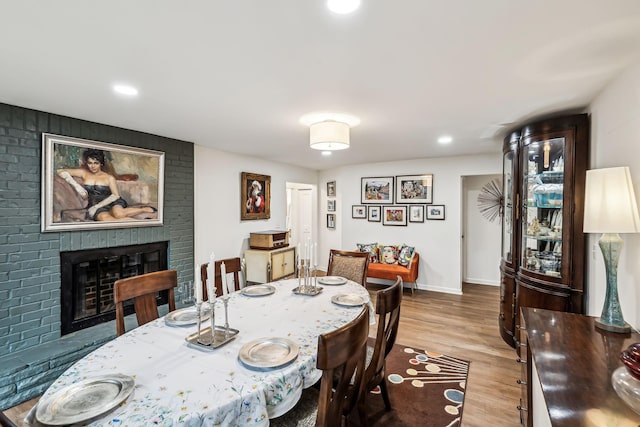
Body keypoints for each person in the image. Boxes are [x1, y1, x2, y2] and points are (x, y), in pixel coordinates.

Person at [57, 148, 156, 221]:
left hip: (111, 201)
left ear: (101, 164)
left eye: (96, 163)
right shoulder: (83, 173)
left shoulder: (109, 177)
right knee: (105, 219)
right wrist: (77, 186)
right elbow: (60, 171)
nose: (92, 166)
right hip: (95, 202)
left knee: (118, 214)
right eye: (90, 163)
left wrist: (96, 207)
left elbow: (115, 195)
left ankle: (143, 209)